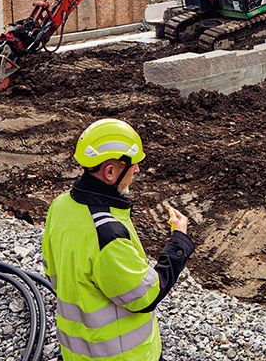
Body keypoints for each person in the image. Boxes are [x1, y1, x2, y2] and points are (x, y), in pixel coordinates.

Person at [42, 118, 195, 360]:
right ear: (110, 171)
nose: (137, 170)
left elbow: (53, 270)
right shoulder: (108, 234)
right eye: (132, 165)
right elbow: (145, 297)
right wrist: (179, 241)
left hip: (77, 352)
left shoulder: (61, 205)